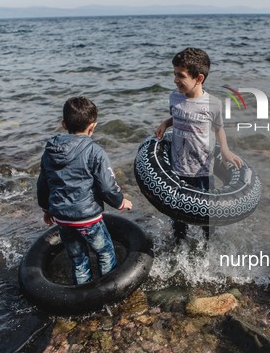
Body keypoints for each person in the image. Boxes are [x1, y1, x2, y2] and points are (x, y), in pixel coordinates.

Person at [37, 96, 133, 284]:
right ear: (93, 127)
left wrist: (46, 209)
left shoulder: (49, 151)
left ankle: (82, 295)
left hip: (63, 218)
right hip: (88, 218)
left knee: (78, 260)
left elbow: (43, 184)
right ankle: (107, 289)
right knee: (104, 252)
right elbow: (107, 186)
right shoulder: (95, 151)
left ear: (64, 124)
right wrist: (120, 202)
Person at [155, 47, 243, 240]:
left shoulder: (213, 104)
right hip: (178, 167)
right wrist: (165, 123)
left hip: (202, 169)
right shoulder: (174, 97)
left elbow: (218, 128)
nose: (175, 80)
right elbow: (176, 117)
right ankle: (180, 245)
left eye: (181, 76)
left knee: (206, 218)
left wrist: (225, 150)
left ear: (199, 78)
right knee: (178, 217)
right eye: (174, 74)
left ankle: (207, 249)